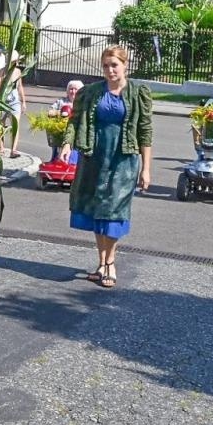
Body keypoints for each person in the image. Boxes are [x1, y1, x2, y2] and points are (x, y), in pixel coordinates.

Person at [64, 45, 153, 289]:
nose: (110, 70)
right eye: (106, 65)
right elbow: (75, 119)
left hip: (123, 158)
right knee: (97, 208)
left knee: (114, 209)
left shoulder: (137, 92)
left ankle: (111, 262)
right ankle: (101, 262)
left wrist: (146, 168)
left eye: (114, 65)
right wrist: (67, 144)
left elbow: (145, 131)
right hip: (95, 155)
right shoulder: (92, 92)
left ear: (125, 65)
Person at [48, 80, 84, 163]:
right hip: (60, 132)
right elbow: (50, 111)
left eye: (76, 89)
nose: (73, 91)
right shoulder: (61, 102)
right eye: (71, 89)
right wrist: (61, 113)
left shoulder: (83, 103)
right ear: (67, 91)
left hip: (76, 133)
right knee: (57, 148)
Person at [4, 55, 28, 158]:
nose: (16, 63)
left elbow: (20, 86)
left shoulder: (18, 71)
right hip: (3, 102)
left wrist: (23, 101)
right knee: (0, 126)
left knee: (15, 126)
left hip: (15, 102)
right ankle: (0, 148)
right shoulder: (2, 71)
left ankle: (13, 150)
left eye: (16, 61)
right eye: (14, 61)